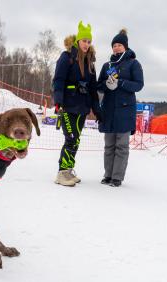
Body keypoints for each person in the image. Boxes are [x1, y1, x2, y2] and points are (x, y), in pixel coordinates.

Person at [52, 21, 102, 187]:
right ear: (77, 41)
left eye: (89, 41)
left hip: (82, 108)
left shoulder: (90, 63)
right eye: (84, 40)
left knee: (76, 139)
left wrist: (97, 110)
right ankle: (62, 173)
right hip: (68, 105)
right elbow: (58, 80)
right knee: (71, 138)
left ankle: (68, 169)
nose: (86, 44)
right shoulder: (67, 57)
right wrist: (58, 101)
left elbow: (93, 89)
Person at [97, 29, 144, 187]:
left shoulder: (133, 63)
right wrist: (106, 85)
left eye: (119, 45)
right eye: (114, 45)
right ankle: (108, 175)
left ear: (125, 47)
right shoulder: (107, 65)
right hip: (108, 111)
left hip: (125, 111)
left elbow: (139, 85)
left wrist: (121, 83)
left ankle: (117, 177)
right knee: (109, 145)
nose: (116, 47)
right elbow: (99, 86)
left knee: (121, 146)